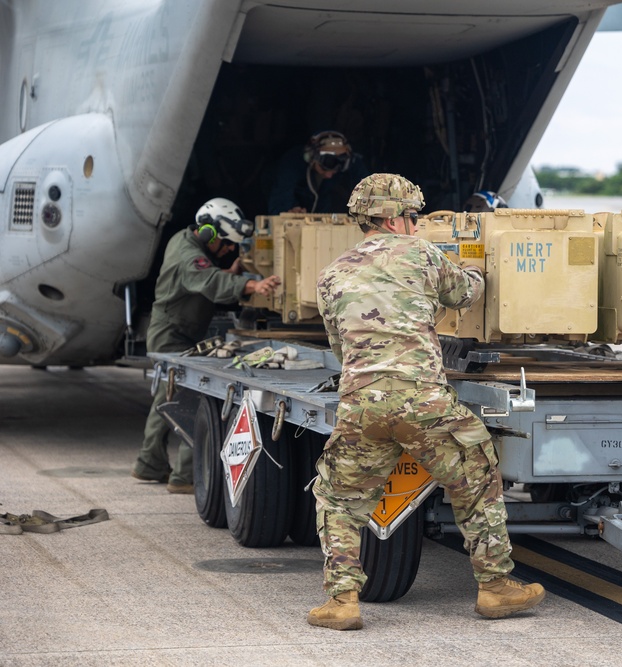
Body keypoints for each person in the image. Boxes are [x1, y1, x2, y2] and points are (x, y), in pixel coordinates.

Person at [310, 173, 544, 630]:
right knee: (476, 478)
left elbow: (341, 349)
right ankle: (495, 588)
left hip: (362, 405)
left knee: (338, 498)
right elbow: (463, 294)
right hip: (424, 403)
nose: (416, 225)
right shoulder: (421, 253)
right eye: (414, 217)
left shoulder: (331, 274)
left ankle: (342, 601)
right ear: (396, 218)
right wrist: (478, 273)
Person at [132, 198, 281, 494]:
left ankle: (150, 464)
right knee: (191, 400)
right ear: (208, 233)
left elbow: (203, 279)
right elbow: (204, 279)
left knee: (166, 398)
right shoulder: (190, 255)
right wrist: (251, 286)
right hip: (172, 335)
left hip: (174, 331)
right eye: (226, 244)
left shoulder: (184, 241)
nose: (228, 251)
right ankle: (184, 477)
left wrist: (232, 275)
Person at [267, 130, 369, 214]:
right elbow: (279, 201)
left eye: (336, 169)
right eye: (325, 167)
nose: (329, 175)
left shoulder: (352, 162)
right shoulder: (292, 162)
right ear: (311, 157)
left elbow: (368, 187)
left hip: (324, 204)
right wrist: (288, 212)